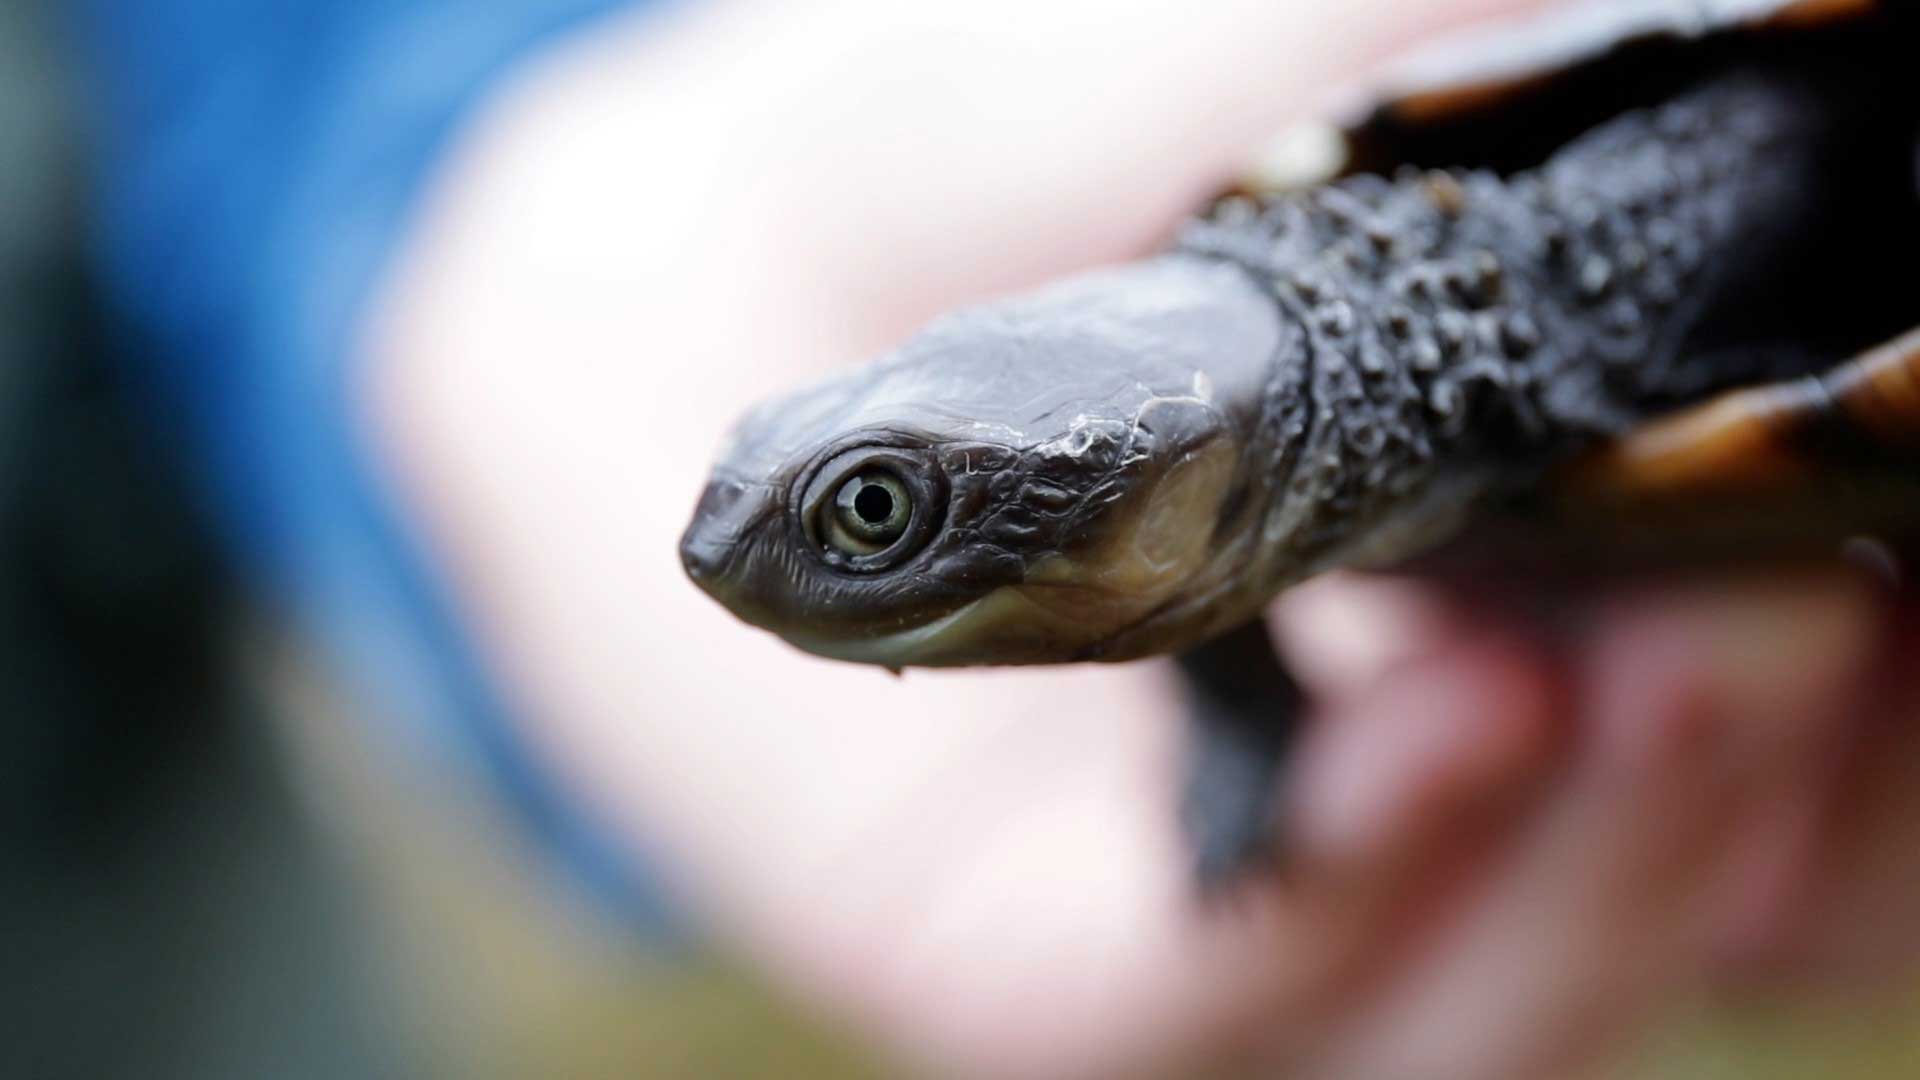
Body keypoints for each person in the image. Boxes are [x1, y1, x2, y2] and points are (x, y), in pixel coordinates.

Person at [78, 0, 1920, 1075]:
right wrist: (1243, 730)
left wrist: (439, 158)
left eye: (883, 507)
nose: (746, 563)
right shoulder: (1275, 481)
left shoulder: (1596, 229)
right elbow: (1224, 543)